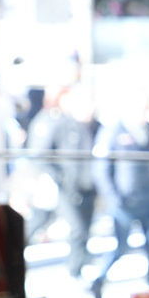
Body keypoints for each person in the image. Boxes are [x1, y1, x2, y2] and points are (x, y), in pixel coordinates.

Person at [91, 92, 149, 298]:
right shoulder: (113, 132)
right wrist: (112, 197)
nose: (144, 113)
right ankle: (98, 280)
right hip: (124, 202)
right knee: (121, 247)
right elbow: (101, 169)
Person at [25, 85, 101, 277]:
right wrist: (59, 177)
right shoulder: (59, 123)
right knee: (71, 226)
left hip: (87, 187)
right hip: (64, 187)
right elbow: (40, 154)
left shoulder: (95, 126)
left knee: (82, 228)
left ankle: (78, 267)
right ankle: (75, 269)